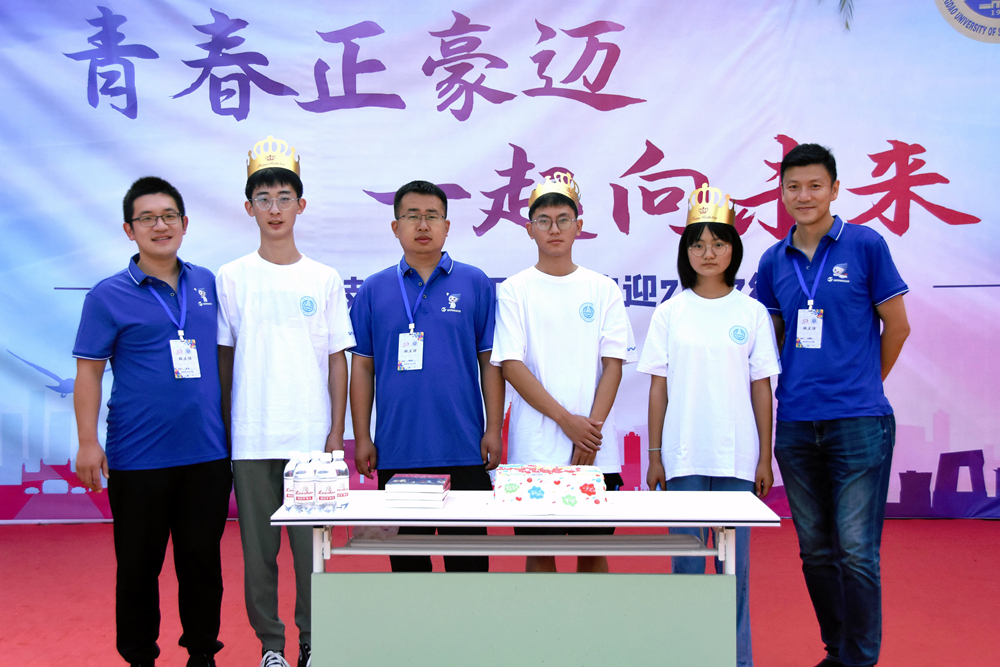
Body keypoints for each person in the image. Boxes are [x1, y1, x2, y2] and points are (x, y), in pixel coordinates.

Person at [756, 143, 910, 667]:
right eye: (793, 187)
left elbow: (897, 326)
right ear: (782, 193)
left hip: (858, 422)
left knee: (856, 551)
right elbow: (772, 338)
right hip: (796, 424)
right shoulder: (773, 260)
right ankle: (838, 650)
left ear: (835, 189)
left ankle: (860, 660)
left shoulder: (865, 245)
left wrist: (864, 383)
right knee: (816, 551)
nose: (804, 196)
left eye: (815, 186)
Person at [73, 177, 231, 667]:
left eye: (169, 216)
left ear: (185, 223)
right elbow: (88, 372)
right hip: (138, 457)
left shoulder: (208, 284)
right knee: (138, 569)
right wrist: (87, 442)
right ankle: (140, 658)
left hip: (206, 454)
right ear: (129, 229)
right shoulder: (107, 295)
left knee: (202, 565)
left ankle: (202, 654)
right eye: (147, 218)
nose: (160, 226)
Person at [216, 136, 355, 667]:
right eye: (264, 199)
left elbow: (337, 359)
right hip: (252, 436)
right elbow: (225, 358)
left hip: (310, 440)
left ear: (301, 205)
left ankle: (313, 640)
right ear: (248, 207)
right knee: (259, 555)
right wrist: (226, 427)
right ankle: (271, 646)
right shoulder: (232, 277)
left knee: (311, 553)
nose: (274, 209)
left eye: (284, 198)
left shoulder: (323, 278)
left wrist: (336, 432)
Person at [639, 184, 780, 667]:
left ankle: (736, 660)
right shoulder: (670, 313)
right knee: (686, 567)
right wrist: (654, 455)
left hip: (737, 459)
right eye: (697, 244)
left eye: (718, 243)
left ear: (733, 249)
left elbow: (761, 388)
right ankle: (688, 656)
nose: (708, 253)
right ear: (686, 251)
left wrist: (764, 457)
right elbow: (658, 388)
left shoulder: (751, 312)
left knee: (732, 571)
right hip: (682, 457)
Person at [349, 179, 504, 572]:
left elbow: (490, 362)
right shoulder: (373, 290)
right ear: (395, 226)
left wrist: (493, 429)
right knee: (409, 572)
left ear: (447, 226)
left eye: (432, 216)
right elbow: (362, 366)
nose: (422, 225)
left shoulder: (474, 283)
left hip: (464, 448)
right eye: (412, 216)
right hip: (398, 450)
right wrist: (363, 436)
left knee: (468, 572)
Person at [491, 172, 635, 573]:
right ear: (529, 229)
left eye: (563, 220)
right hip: (535, 449)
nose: (554, 229)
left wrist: (591, 430)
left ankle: (592, 620)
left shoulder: (602, 289)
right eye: (544, 221)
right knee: (540, 552)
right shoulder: (515, 289)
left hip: (594, 448)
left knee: (592, 551)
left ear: (578, 226)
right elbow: (511, 366)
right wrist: (567, 422)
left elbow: (613, 364)